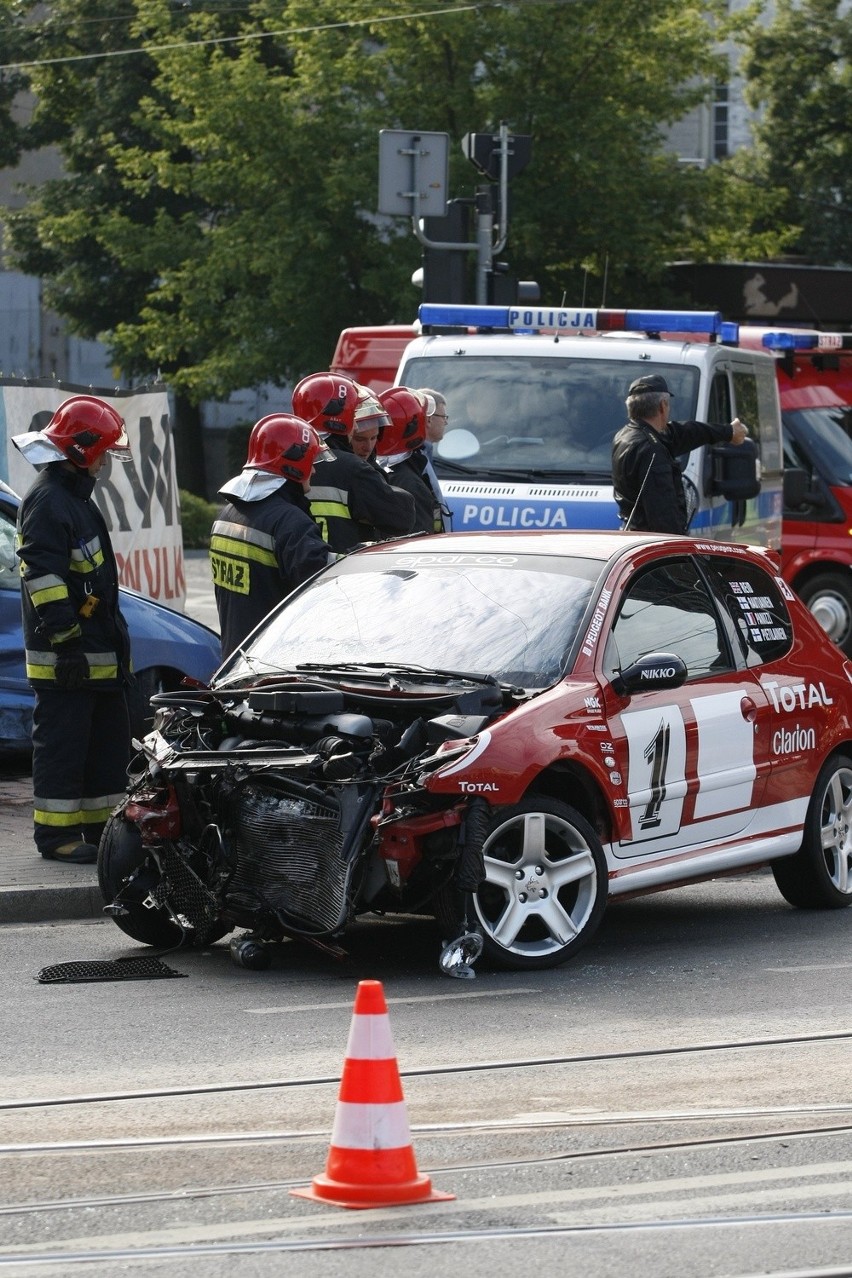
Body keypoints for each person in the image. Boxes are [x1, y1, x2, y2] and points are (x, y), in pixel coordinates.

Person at [12, 395, 134, 863]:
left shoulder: (75, 498)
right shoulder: (49, 502)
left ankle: (101, 831)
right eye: (102, 452)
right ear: (83, 450)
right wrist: (65, 644)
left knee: (103, 749)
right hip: (69, 658)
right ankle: (58, 838)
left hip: (96, 654)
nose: (105, 462)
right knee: (63, 750)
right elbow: (43, 579)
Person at [210, 413, 335, 660]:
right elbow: (323, 590)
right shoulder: (290, 523)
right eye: (311, 460)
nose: (314, 471)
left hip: (235, 659)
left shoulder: (228, 514)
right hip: (276, 664)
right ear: (295, 463)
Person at [611, 373, 749, 534]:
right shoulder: (652, 450)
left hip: (634, 536)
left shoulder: (626, 435)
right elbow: (664, 515)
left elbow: (685, 432)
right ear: (663, 406)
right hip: (653, 543)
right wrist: (679, 548)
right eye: (668, 405)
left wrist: (727, 431)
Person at [292, 372, 414, 549]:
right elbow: (401, 517)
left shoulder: (285, 462)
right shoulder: (352, 468)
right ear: (337, 421)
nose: (355, 425)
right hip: (343, 570)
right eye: (351, 417)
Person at [377, 387, 444, 535]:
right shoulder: (410, 482)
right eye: (423, 418)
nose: (427, 421)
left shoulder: (380, 469)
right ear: (413, 427)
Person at [415, 387, 452, 531]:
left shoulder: (423, 453)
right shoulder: (417, 457)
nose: (446, 423)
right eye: (444, 417)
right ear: (429, 419)